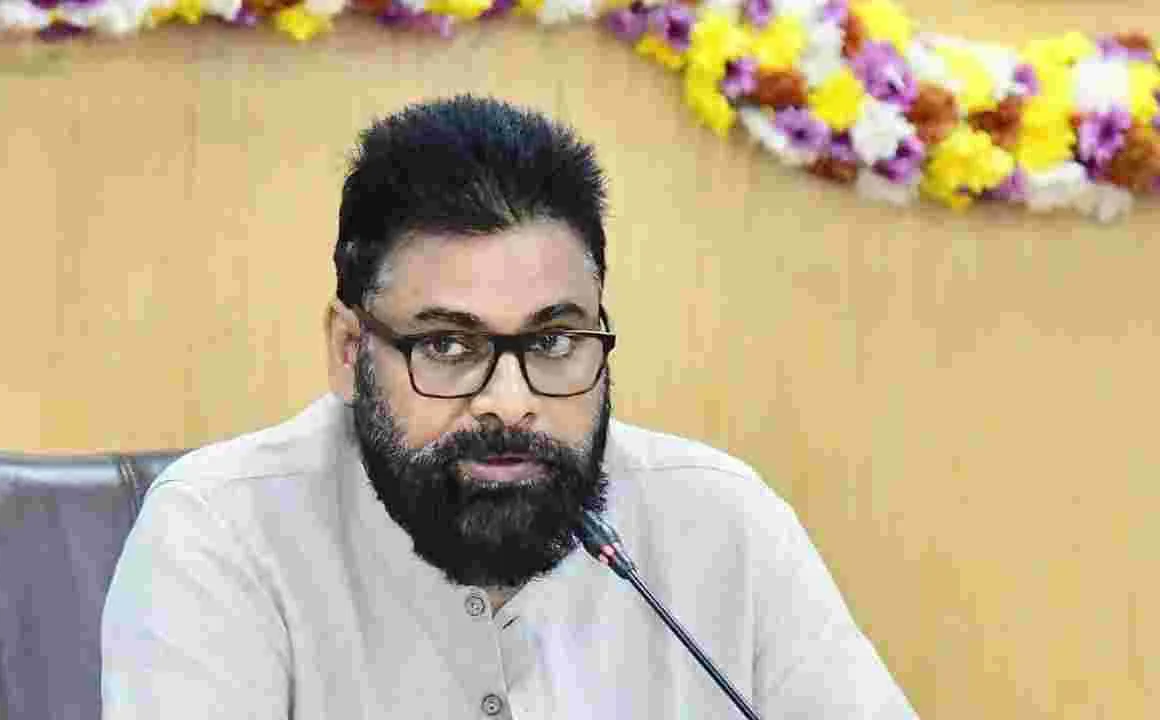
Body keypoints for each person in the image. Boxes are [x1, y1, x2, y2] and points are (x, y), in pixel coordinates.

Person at [101, 94, 917, 719]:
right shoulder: (222, 533)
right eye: (448, 346)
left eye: (553, 341)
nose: (510, 401)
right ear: (350, 351)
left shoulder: (720, 521)